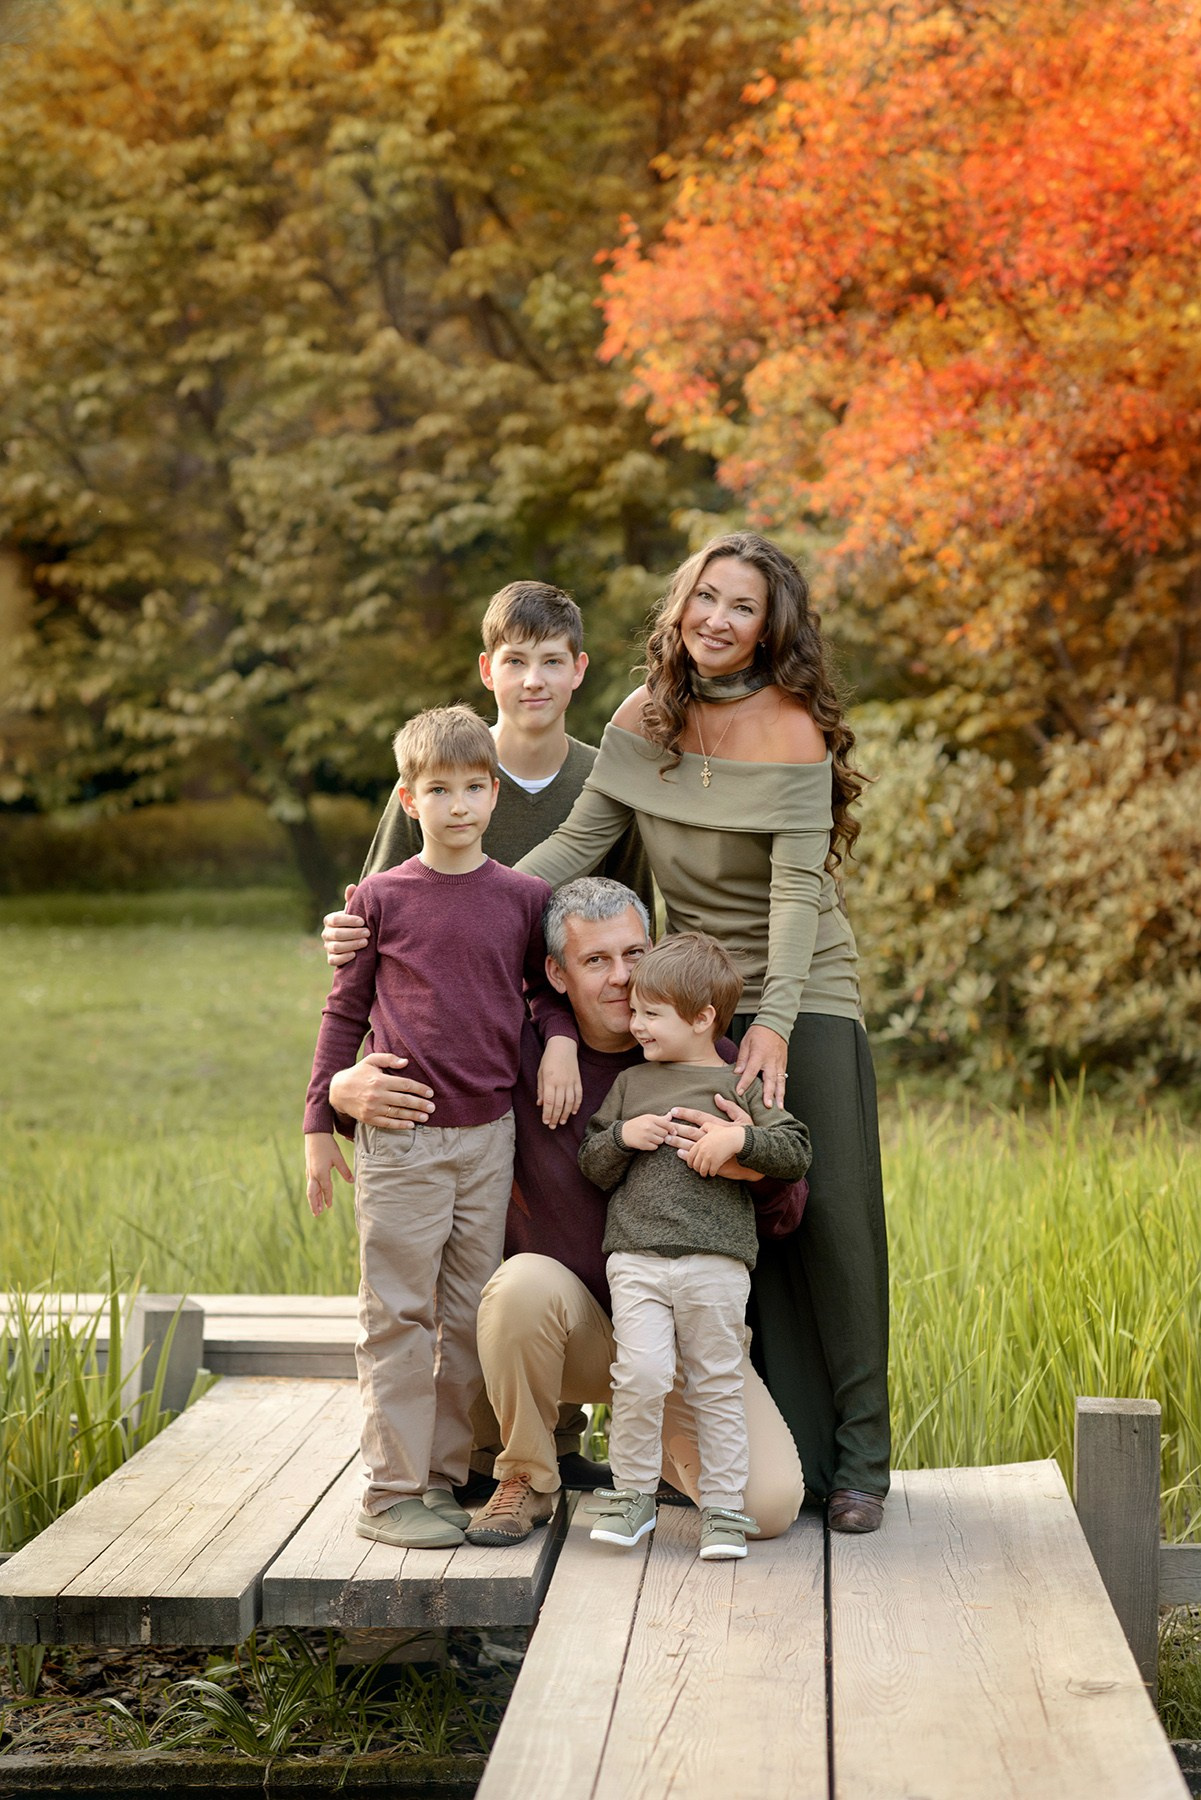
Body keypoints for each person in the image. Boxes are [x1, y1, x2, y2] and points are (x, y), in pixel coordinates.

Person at [512, 533, 890, 1533]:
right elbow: (576, 846)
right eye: (705, 599)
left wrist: (770, 1023)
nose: (718, 620)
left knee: (834, 1225)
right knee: (724, 1213)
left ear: (773, 629)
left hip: (803, 992)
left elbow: (797, 893)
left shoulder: (794, 729)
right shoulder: (644, 719)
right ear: (679, 610)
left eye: (744, 607)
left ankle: (862, 1464)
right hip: (692, 998)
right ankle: (779, 1462)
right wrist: (460, 900)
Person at [326, 877, 808, 1549]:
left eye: (634, 954)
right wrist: (341, 1092)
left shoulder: (715, 1064)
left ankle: (652, 1466)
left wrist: (743, 1162)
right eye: (595, 961)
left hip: (688, 1334)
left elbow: (786, 1214)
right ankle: (527, 1473)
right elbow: (419, 1072)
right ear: (555, 973)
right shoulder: (513, 1055)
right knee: (520, 1285)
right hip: (565, 1331)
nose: (621, 979)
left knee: (770, 1508)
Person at [302, 704, 574, 1550]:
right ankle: (387, 1493)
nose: (458, 804)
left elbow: (545, 993)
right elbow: (342, 1013)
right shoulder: (380, 899)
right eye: (438, 789)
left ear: (494, 794)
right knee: (397, 1316)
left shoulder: (524, 898)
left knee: (464, 1318)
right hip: (403, 1142)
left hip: (488, 1138)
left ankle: (443, 1481)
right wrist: (319, 1123)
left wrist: (560, 1043)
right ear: (408, 798)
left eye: (473, 787)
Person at [579, 933, 812, 1562]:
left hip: (716, 1266)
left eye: (651, 1013)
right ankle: (632, 1497)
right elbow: (593, 1163)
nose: (636, 1024)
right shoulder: (630, 1084)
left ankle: (725, 1512)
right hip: (637, 1261)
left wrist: (741, 1146)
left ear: (703, 1017)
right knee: (642, 1374)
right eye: (636, 1012)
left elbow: (795, 1151)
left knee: (716, 1385)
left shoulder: (740, 1084)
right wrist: (622, 1136)